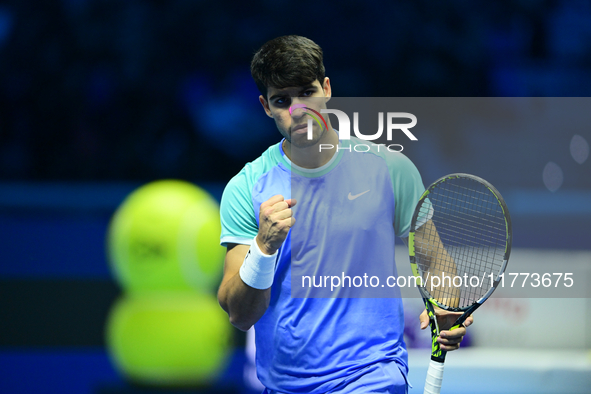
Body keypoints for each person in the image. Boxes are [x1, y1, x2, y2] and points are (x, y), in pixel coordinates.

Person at [217, 35, 472, 394]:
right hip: (286, 385)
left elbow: (436, 260)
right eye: (282, 100)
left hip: (373, 376)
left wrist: (447, 305)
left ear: (327, 88)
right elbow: (240, 315)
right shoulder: (246, 188)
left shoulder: (390, 169)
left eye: (307, 92)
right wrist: (262, 248)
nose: (298, 110)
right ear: (265, 106)